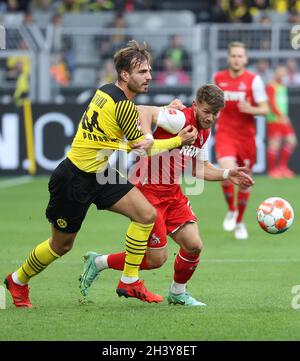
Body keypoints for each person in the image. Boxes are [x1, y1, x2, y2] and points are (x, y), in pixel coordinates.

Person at [4, 40, 198, 308]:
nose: (149, 77)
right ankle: (18, 280)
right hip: (73, 179)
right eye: (142, 72)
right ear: (124, 75)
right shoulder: (123, 106)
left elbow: (136, 130)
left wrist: (166, 110)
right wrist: (179, 140)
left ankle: (130, 280)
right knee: (61, 245)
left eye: (150, 71)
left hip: (101, 171)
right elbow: (143, 149)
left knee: (145, 214)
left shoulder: (106, 91)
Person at [79, 84, 255, 306]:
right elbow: (143, 110)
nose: (210, 118)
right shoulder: (180, 119)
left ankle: (178, 292)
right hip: (148, 192)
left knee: (194, 245)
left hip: (172, 193)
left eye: (215, 113)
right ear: (195, 105)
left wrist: (228, 173)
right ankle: (99, 262)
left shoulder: (204, 131)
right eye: (207, 112)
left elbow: (198, 168)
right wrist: (147, 137)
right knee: (156, 260)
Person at [214, 41, 269, 240]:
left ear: (245, 59)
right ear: (228, 58)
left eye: (240, 56)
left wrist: (251, 109)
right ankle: (231, 209)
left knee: (245, 182)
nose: (236, 59)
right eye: (233, 55)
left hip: (246, 138)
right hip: (225, 134)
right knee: (227, 171)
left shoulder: (254, 81)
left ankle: (239, 221)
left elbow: (265, 109)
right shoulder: (218, 78)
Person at [266, 65, 298, 178]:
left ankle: (282, 167)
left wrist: (283, 116)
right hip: (274, 120)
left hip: (283, 119)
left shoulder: (282, 86)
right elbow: (271, 103)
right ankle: (272, 170)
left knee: (292, 141)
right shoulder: (271, 86)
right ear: (276, 73)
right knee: (274, 145)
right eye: (281, 73)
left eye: (284, 73)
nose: (282, 75)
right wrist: (279, 115)